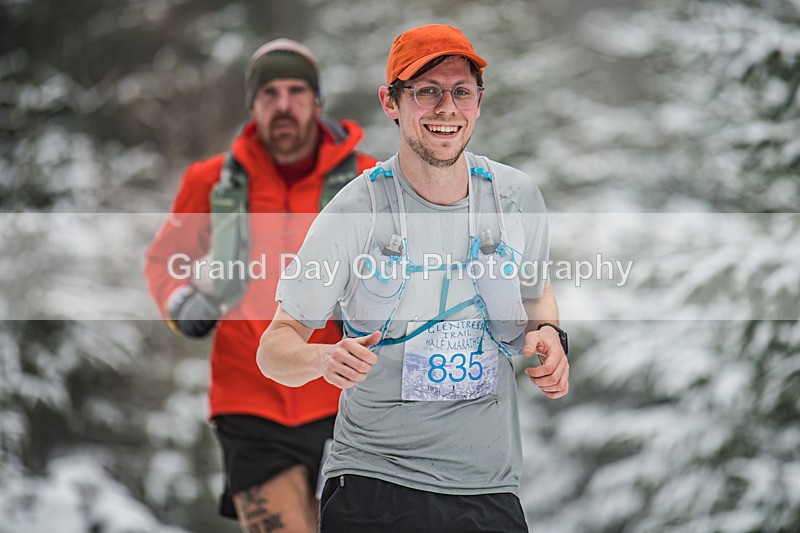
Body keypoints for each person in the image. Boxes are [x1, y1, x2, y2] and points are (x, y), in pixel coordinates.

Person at [256, 24, 569, 532]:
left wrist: (550, 336)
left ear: (478, 103)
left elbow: (536, 291)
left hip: (487, 486)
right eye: (427, 91)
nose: (446, 108)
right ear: (391, 102)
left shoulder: (515, 198)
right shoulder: (355, 212)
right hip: (373, 483)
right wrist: (322, 357)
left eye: (461, 92)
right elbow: (274, 347)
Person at [145, 38, 377, 532]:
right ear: (252, 106)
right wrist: (181, 300)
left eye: (296, 90)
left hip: (345, 398)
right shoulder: (213, 181)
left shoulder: (368, 180)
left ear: (317, 101)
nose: (284, 104)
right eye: (270, 93)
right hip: (250, 402)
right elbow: (165, 259)